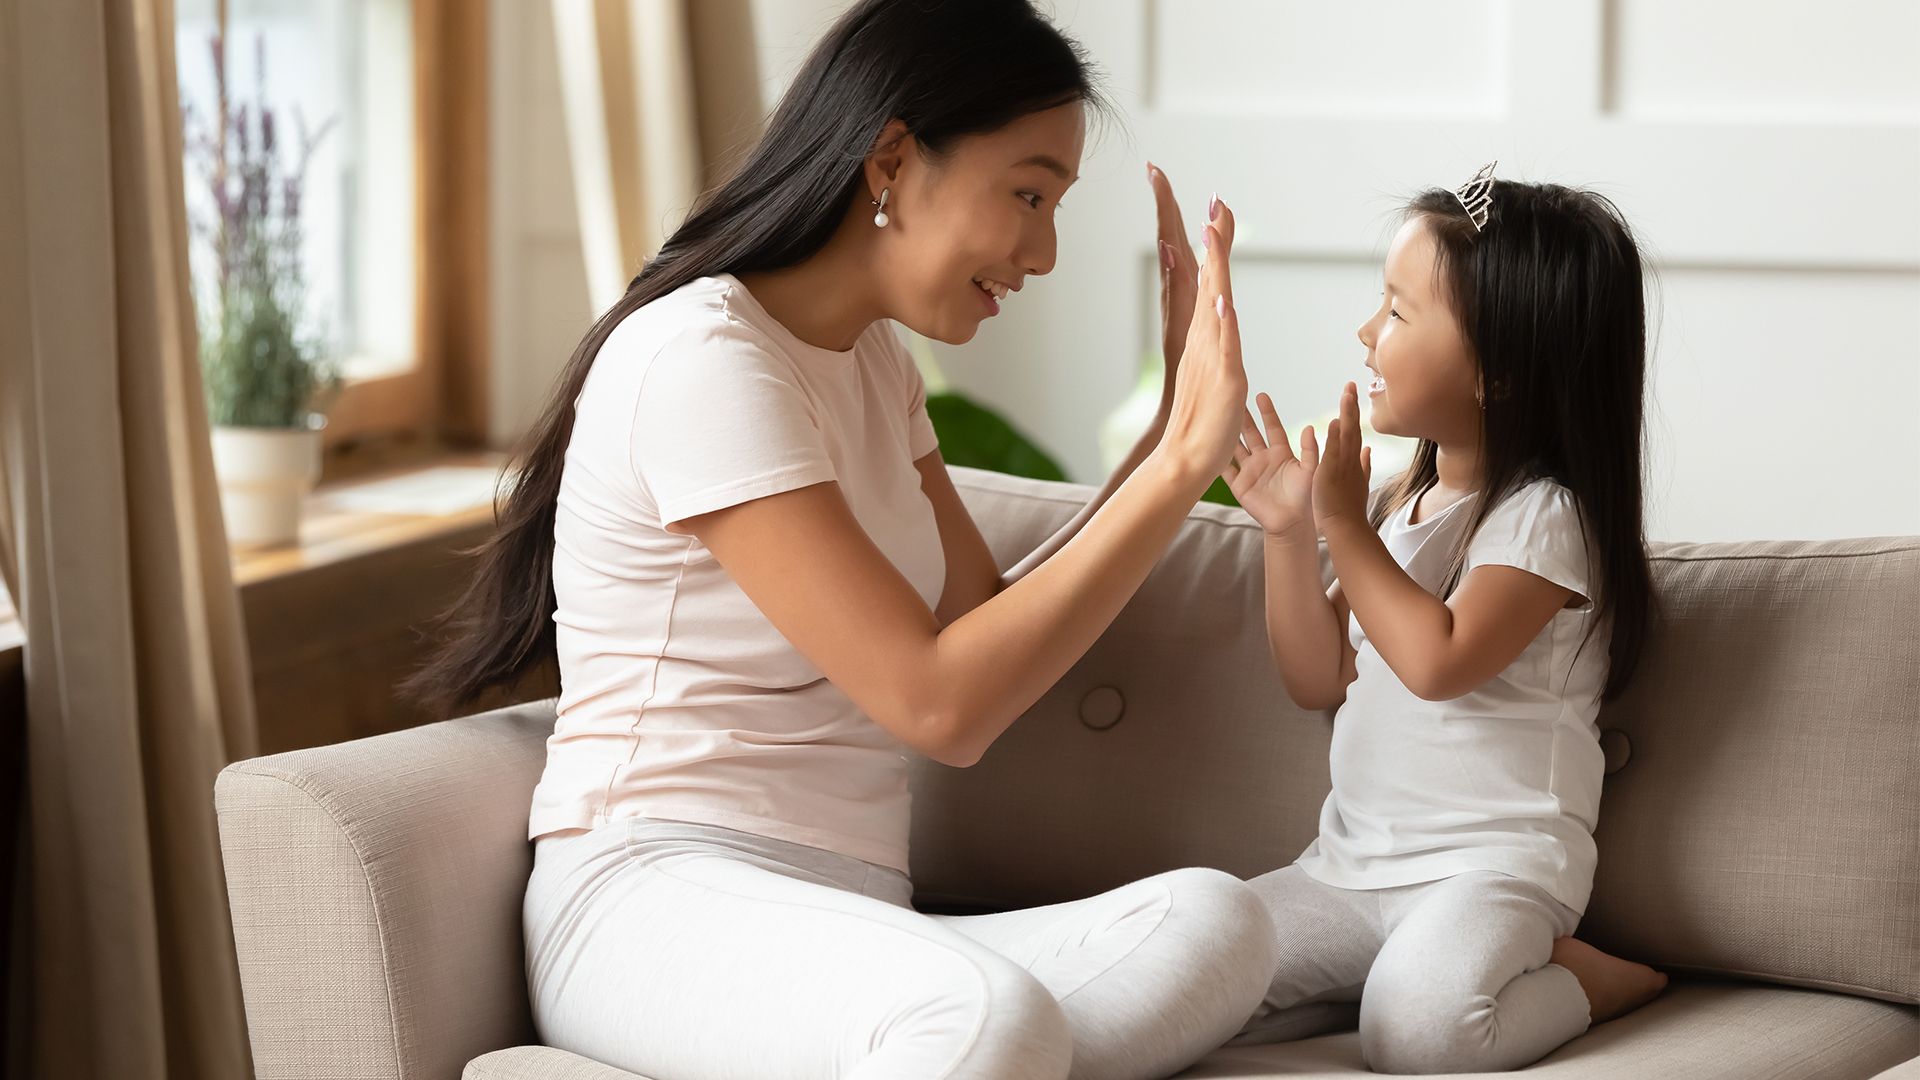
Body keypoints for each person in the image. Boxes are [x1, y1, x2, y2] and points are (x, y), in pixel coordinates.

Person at [405, 2, 1274, 1077]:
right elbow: (938, 703)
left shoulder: (873, 367)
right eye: (1029, 194)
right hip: (654, 902)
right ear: (894, 159)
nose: (1043, 252)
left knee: (1217, 923)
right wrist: (1185, 465)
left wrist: (1158, 444)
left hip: (856, 923)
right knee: (985, 1025)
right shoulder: (701, 359)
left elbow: (983, 627)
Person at [1225, 169, 1669, 1072]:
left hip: (1492, 874)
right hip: (1346, 872)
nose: (1365, 331)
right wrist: (1288, 532)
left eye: (1396, 312)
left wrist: (1343, 527)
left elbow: (1439, 660)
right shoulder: (1405, 506)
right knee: (1192, 975)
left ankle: (1591, 981)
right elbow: (1317, 679)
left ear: (1499, 371)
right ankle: (1379, 971)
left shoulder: (1545, 520)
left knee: (1417, 1031)